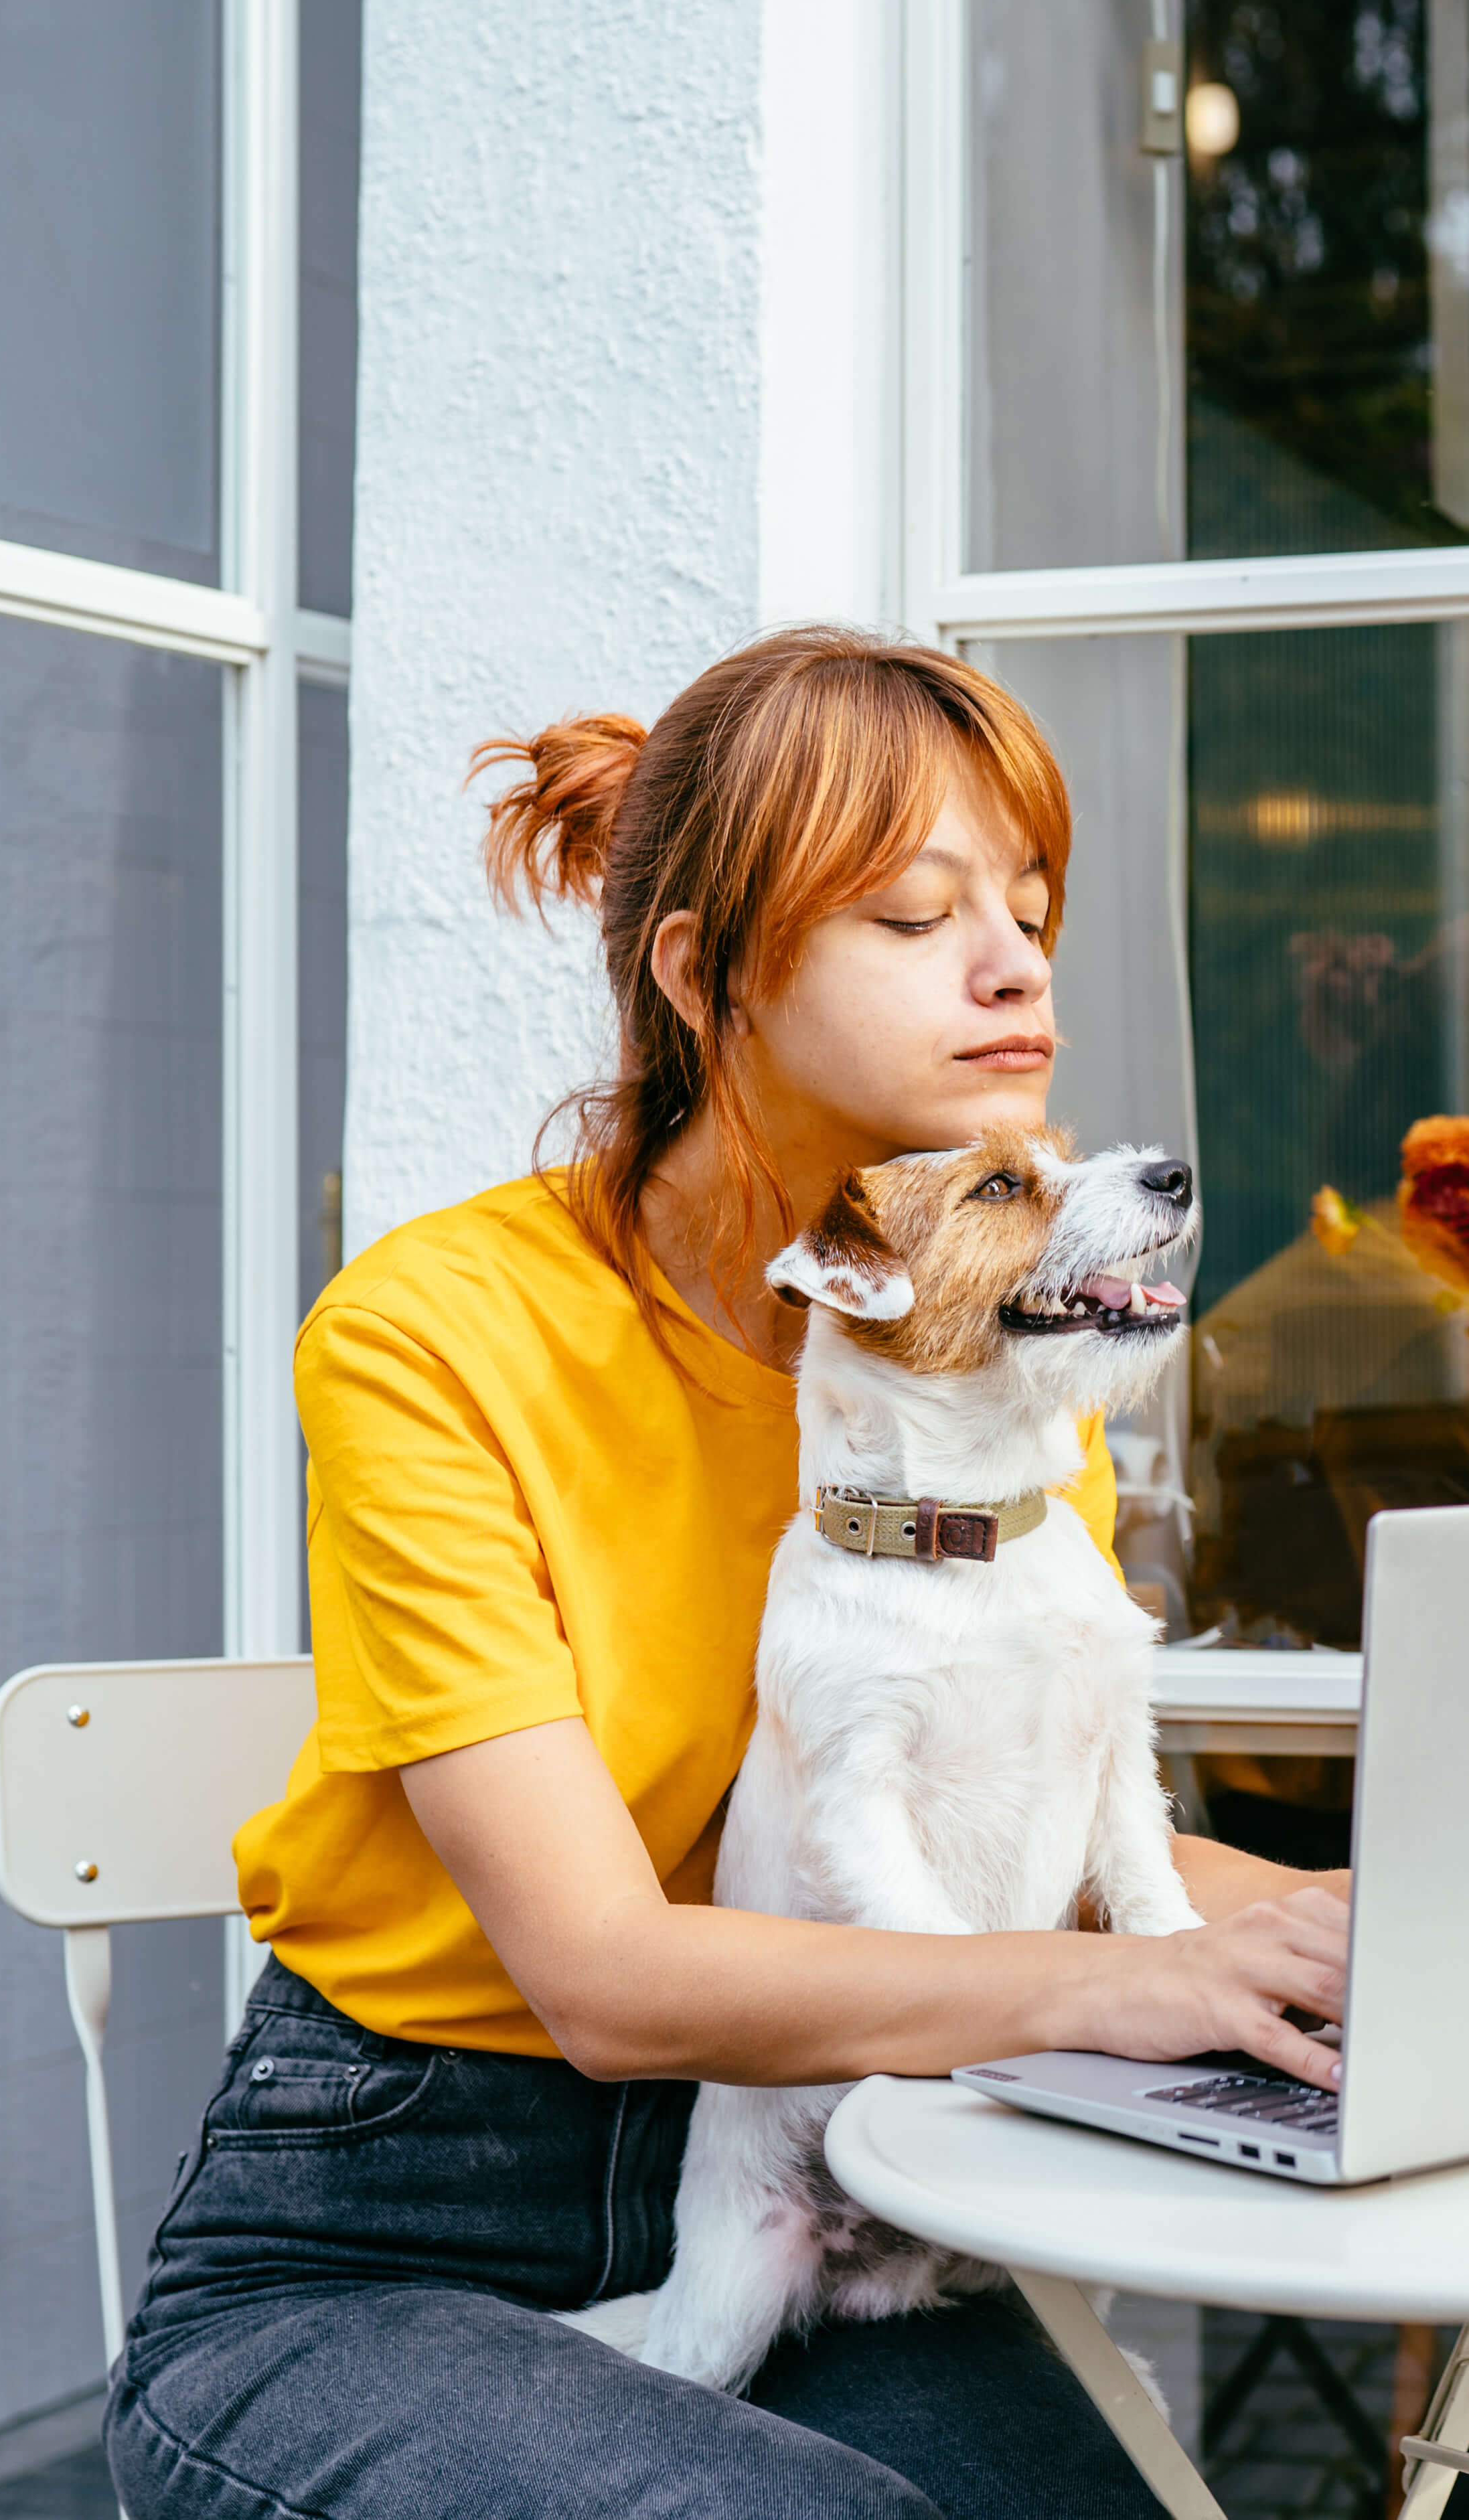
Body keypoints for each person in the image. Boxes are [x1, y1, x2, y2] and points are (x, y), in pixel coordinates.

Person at [106, 627, 1350, 2519]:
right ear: (708, 977)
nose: (1017, 968)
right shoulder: (440, 1333)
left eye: (1028, 906)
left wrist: (1353, 1928)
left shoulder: (1001, 1355)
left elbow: (1013, 1812)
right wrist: (1125, 1988)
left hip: (842, 2175)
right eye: (921, 917)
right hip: (397, 2230)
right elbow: (603, 1978)